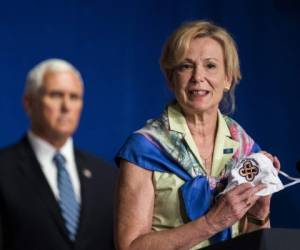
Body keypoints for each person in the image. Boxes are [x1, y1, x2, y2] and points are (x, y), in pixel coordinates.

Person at [115, 20, 280, 250]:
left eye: (210, 65)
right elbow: (129, 247)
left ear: (228, 78)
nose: (197, 77)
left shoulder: (246, 149)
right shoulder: (145, 148)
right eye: (186, 66)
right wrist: (211, 222)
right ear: (171, 78)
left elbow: (255, 242)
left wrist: (259, 214)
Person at [0, 59, 117, 250]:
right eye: (55, 95)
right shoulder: (3, 170)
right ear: (29, 103)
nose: (66, 106)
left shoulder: (107, 177)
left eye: (74, 97)